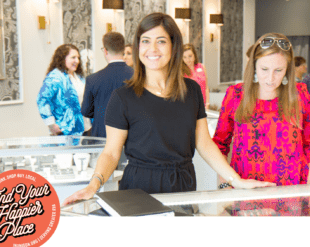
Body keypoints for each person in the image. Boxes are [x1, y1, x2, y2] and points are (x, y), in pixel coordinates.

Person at [62, 13, 274, 206]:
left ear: (174, 47)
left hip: (182, 185)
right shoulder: (122, 97)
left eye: (161, 41)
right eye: (145, 41)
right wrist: (93, 185)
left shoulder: (191, 91)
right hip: (139, 187)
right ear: (137, 47)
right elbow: (110, 152)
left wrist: (235, 180)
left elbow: (203, 143)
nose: (152, 49)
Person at [213, 33, 310, 186]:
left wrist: (308, 186)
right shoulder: (236, 95)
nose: (270, 78)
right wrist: (224, 183)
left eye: (278, 70)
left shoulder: (299, 94)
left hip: (290, 191)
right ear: (253, 66)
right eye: (264, 69)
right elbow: (220, 144)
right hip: (246, 191)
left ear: (287, 70)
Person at [81, 32, 133, 138]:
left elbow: (86, 111)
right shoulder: (137, 76)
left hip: (101, 136)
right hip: (131, 136)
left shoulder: (92, 79)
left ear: (105, 50)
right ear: (123, 49)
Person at [37, 44, 91, 136]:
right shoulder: (55, 77)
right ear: (62, 58)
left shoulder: (79, 77)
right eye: (73, 57)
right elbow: (42, 100)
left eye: (78, 58)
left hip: (85, 128)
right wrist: (51, 124)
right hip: (65, 130)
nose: (77, 61)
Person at [182, 44, 210, 109]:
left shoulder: (202, 67)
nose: (188, 59)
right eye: (184, 57)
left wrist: (207, 103)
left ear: (194, 55)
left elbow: (206, 87)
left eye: (190, 56)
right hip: (189, 105)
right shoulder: (181, 72)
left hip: (203, 104)